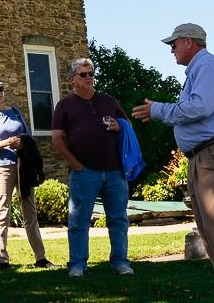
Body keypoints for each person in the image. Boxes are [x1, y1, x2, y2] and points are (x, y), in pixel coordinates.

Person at [133, 24, 214, 303]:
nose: (171, 50)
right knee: (213, 236)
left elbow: (200, 107)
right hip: (203, 158)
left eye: (174, 44)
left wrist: (159, 110)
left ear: (189, 42)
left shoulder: (208, 66)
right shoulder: (199, 69)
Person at [51, 58, 132, 278]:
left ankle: (120, 262)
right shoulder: (65, 106)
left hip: (115, 171)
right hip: (84, 172)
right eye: (83, 74)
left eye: (91, 74)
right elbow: (57, 138)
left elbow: (128, 126)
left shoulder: (108, 101)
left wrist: (119, 126)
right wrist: (75, 164)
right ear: (72, 80)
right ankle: (77, 264)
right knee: (79, 221)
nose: (89, 78)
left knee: (118, 219)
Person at [0, 76, 51, 269]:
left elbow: (27, 135)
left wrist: (22, 143)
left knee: (30, 210)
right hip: (1, 167)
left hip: (23, 164)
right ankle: (3, 260)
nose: (0, 93)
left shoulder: (15, 112)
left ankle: (41, 258)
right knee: (2, 211)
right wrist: (8, 142)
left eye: (1, 89)